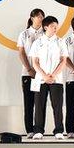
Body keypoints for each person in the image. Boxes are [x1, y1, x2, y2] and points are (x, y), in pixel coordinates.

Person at [31, 16, 68, 139]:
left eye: (56, 26)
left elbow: (63, 61)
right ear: (46, 27)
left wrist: (53, 75)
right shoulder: (37, 42)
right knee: (39, 105)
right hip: (40, 79)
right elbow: (35, 62)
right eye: (53, 26)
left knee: (57, 106)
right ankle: (38, 131)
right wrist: (44, 75)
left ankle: (58, 130)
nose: (55, 28)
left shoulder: (60, 41)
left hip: (56, 79)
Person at [17, 8, 45, 137]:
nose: (41, 19)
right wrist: (29, 69)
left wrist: (40, 71)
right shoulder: (24, 34)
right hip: (28, 73)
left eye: (42, 16)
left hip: (41, 74)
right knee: (29, 102)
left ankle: (38, 129)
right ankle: (29, 130)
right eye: (38, 16)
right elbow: (21, 53)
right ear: (32, 18)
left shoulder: (45, 33)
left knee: (39, 102)